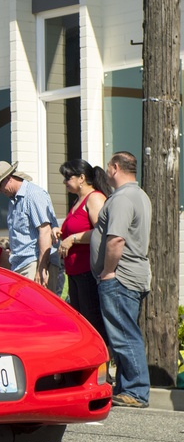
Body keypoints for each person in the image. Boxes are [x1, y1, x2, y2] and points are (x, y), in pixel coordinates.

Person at [90, 152, 151, 408]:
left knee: (124, 333)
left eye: (108, 167)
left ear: (115, 168)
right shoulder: (139, 195)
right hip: (129, 274)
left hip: (121, 276)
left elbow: (116, 239)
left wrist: (108, 271)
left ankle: (135, 390)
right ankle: (127, 387)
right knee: (123, 332)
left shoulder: (123, 198)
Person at [54, 159, 111, 340]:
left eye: (67, 177)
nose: (64, 182)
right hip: (75, 272)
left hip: (88, 272)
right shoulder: (77, 201)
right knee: (82, 321)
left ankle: (103, 364)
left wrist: (73, 238)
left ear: (81, 178)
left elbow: (101, 232)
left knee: (93, 322)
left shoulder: (94, 198)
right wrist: (60, 233)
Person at [0, 161, 62, 294]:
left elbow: (45, 231)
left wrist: (41, 268)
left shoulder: (33, 195)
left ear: (8, 179)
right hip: (21, 263)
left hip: (34, 262)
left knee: (39, 307)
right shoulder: (13, 200)